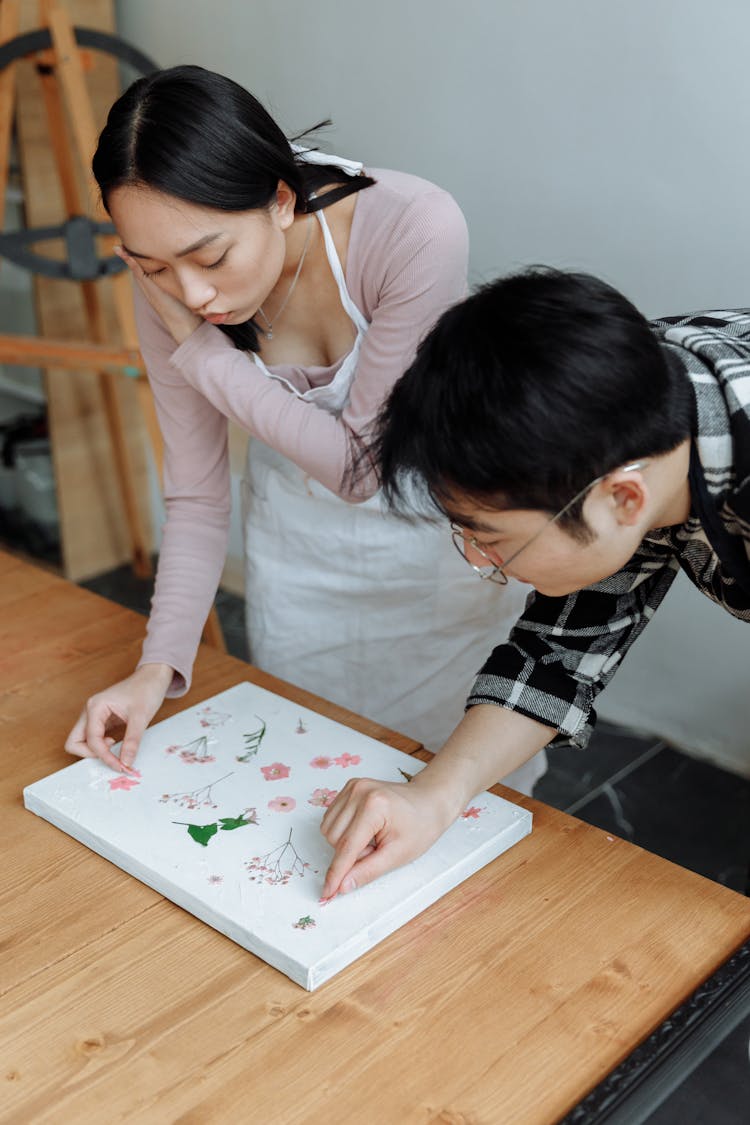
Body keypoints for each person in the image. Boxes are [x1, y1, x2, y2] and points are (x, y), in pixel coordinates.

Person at [64, 66, 533, 785]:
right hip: (298, 567)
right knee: (309, 779)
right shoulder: (168, 280)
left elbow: (360, 468)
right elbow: (195, 494)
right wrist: (154, 671)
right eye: (152, 268)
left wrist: (202, 354)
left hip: (437, 554)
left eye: (212, 256)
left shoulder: (411, 227)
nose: (191, 293)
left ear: (280, 200)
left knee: (460, 802)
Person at [320, 267, 750, 900]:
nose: (478, 560)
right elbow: (556, 654)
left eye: (493, 539)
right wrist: (433, 796)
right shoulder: (617, 423)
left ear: (625, 499)